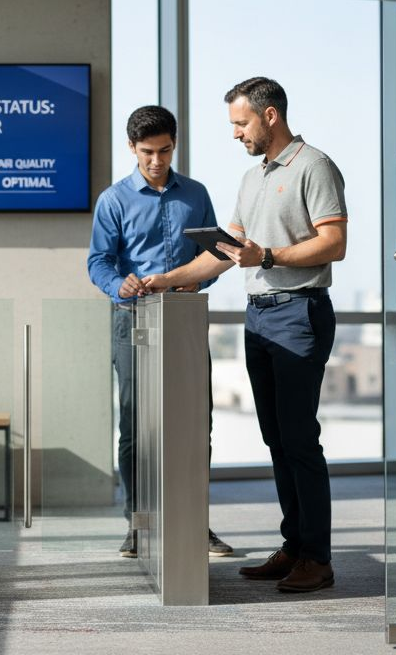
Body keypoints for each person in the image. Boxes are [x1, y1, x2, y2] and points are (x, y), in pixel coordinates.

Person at [141, 77, 346, 593]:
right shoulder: (253, 178)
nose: (235, 134)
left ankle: (317, 559)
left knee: (299, 439)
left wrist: (269, 256)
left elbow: (335, 242)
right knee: (276, 438)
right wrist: (166, 280)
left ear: (269, 116)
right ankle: (294, 545)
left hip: (299, 311)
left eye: (240, 123)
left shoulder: (314, 166)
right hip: (259, 315)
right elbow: (228, 252)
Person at [86, 104, 234, 560]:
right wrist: (118, 282)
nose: (157, 161)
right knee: (135, 425)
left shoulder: (196, 194)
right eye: (148, 152)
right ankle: (139, 524)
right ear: (132, 148)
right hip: (131, 318)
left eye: (165, 151)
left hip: (184, 318)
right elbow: (97, 262)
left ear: (174, 145)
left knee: (195, 425)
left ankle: (194, 523)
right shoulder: (113, 200)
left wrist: (199, 279)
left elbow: (221, 252)